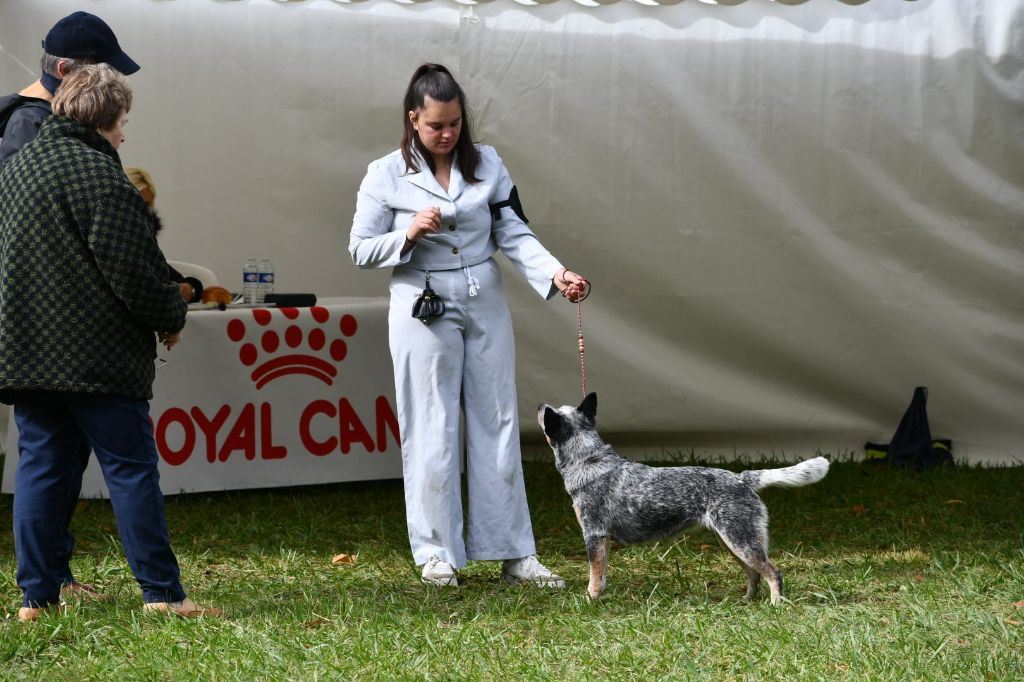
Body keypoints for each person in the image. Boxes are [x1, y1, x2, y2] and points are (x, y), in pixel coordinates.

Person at [349, 64, 590, 588]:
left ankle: (514, 553)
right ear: (413, 119)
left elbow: (513, 229)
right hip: (421, 301)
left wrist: (556, 272)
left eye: (455, 122)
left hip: (483, 299)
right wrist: (407, 233)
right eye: (436, 125)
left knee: (498, 419)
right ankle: (436, 554)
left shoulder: (489, 164)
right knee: (431, 423)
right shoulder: (383, 173)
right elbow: (360, 250)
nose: (447, 133)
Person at [0, 64, 220, 620]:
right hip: (96, 359)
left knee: (40, 470)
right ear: (103, 120)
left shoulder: (15, 171)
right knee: (130, 468)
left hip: (26, 353)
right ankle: (163, 595)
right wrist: (171, 312)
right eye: (123, 122)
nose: (124, 134)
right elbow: (134, 273)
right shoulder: (102, 177)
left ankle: (36, 598)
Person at [0, 11, 140, 603]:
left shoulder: (13, 121)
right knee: (58, 461)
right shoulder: (35, 133)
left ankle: (46, 586)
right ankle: (50, 582)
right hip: (52, 329)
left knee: (47, 459)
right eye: (98, 78)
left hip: (27, 325)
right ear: (63, 72)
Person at [0, 11, 139, 170]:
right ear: (64, 70)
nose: (110, 84)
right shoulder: (30, 123)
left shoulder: (52, 118)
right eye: (100, 75)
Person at [125, 166, 205, 304]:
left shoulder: (145, 244)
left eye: (148, 205)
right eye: (139, 204)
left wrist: (189, 287)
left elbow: (173, 278)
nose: (145, 212)